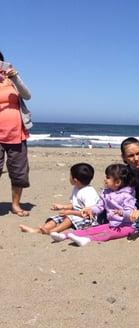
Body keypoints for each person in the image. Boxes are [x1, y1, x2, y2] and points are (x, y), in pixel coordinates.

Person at [50, 164, 137, 246]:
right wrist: (91, 210)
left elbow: (131, 212)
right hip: (111, 224)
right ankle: (65, 235)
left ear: (117, 182)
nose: (105, 180)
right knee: (92, 229)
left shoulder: (127, 196)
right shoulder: (106, 193)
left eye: (108, 177)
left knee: (107, 234)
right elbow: (100, 207)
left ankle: (87, 239)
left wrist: (122, 213)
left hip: (127, 226)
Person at [19, 163, 99, 234]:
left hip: (89, 220)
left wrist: (70, 212)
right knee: (56, 218)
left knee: (68, 218)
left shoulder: (89, 192)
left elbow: (89, 214)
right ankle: (39, 230)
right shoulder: (76, 188)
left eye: (70, 176)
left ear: (75, 180)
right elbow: (75, 205)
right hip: (76, 215)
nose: (69, 177)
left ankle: (52, 231)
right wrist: (63, 207)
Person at [0, 50, 32, 216]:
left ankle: (15, 205)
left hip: (16, 132)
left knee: (18, 172)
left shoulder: (12, 81)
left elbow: (28, 95)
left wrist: (15, 78)